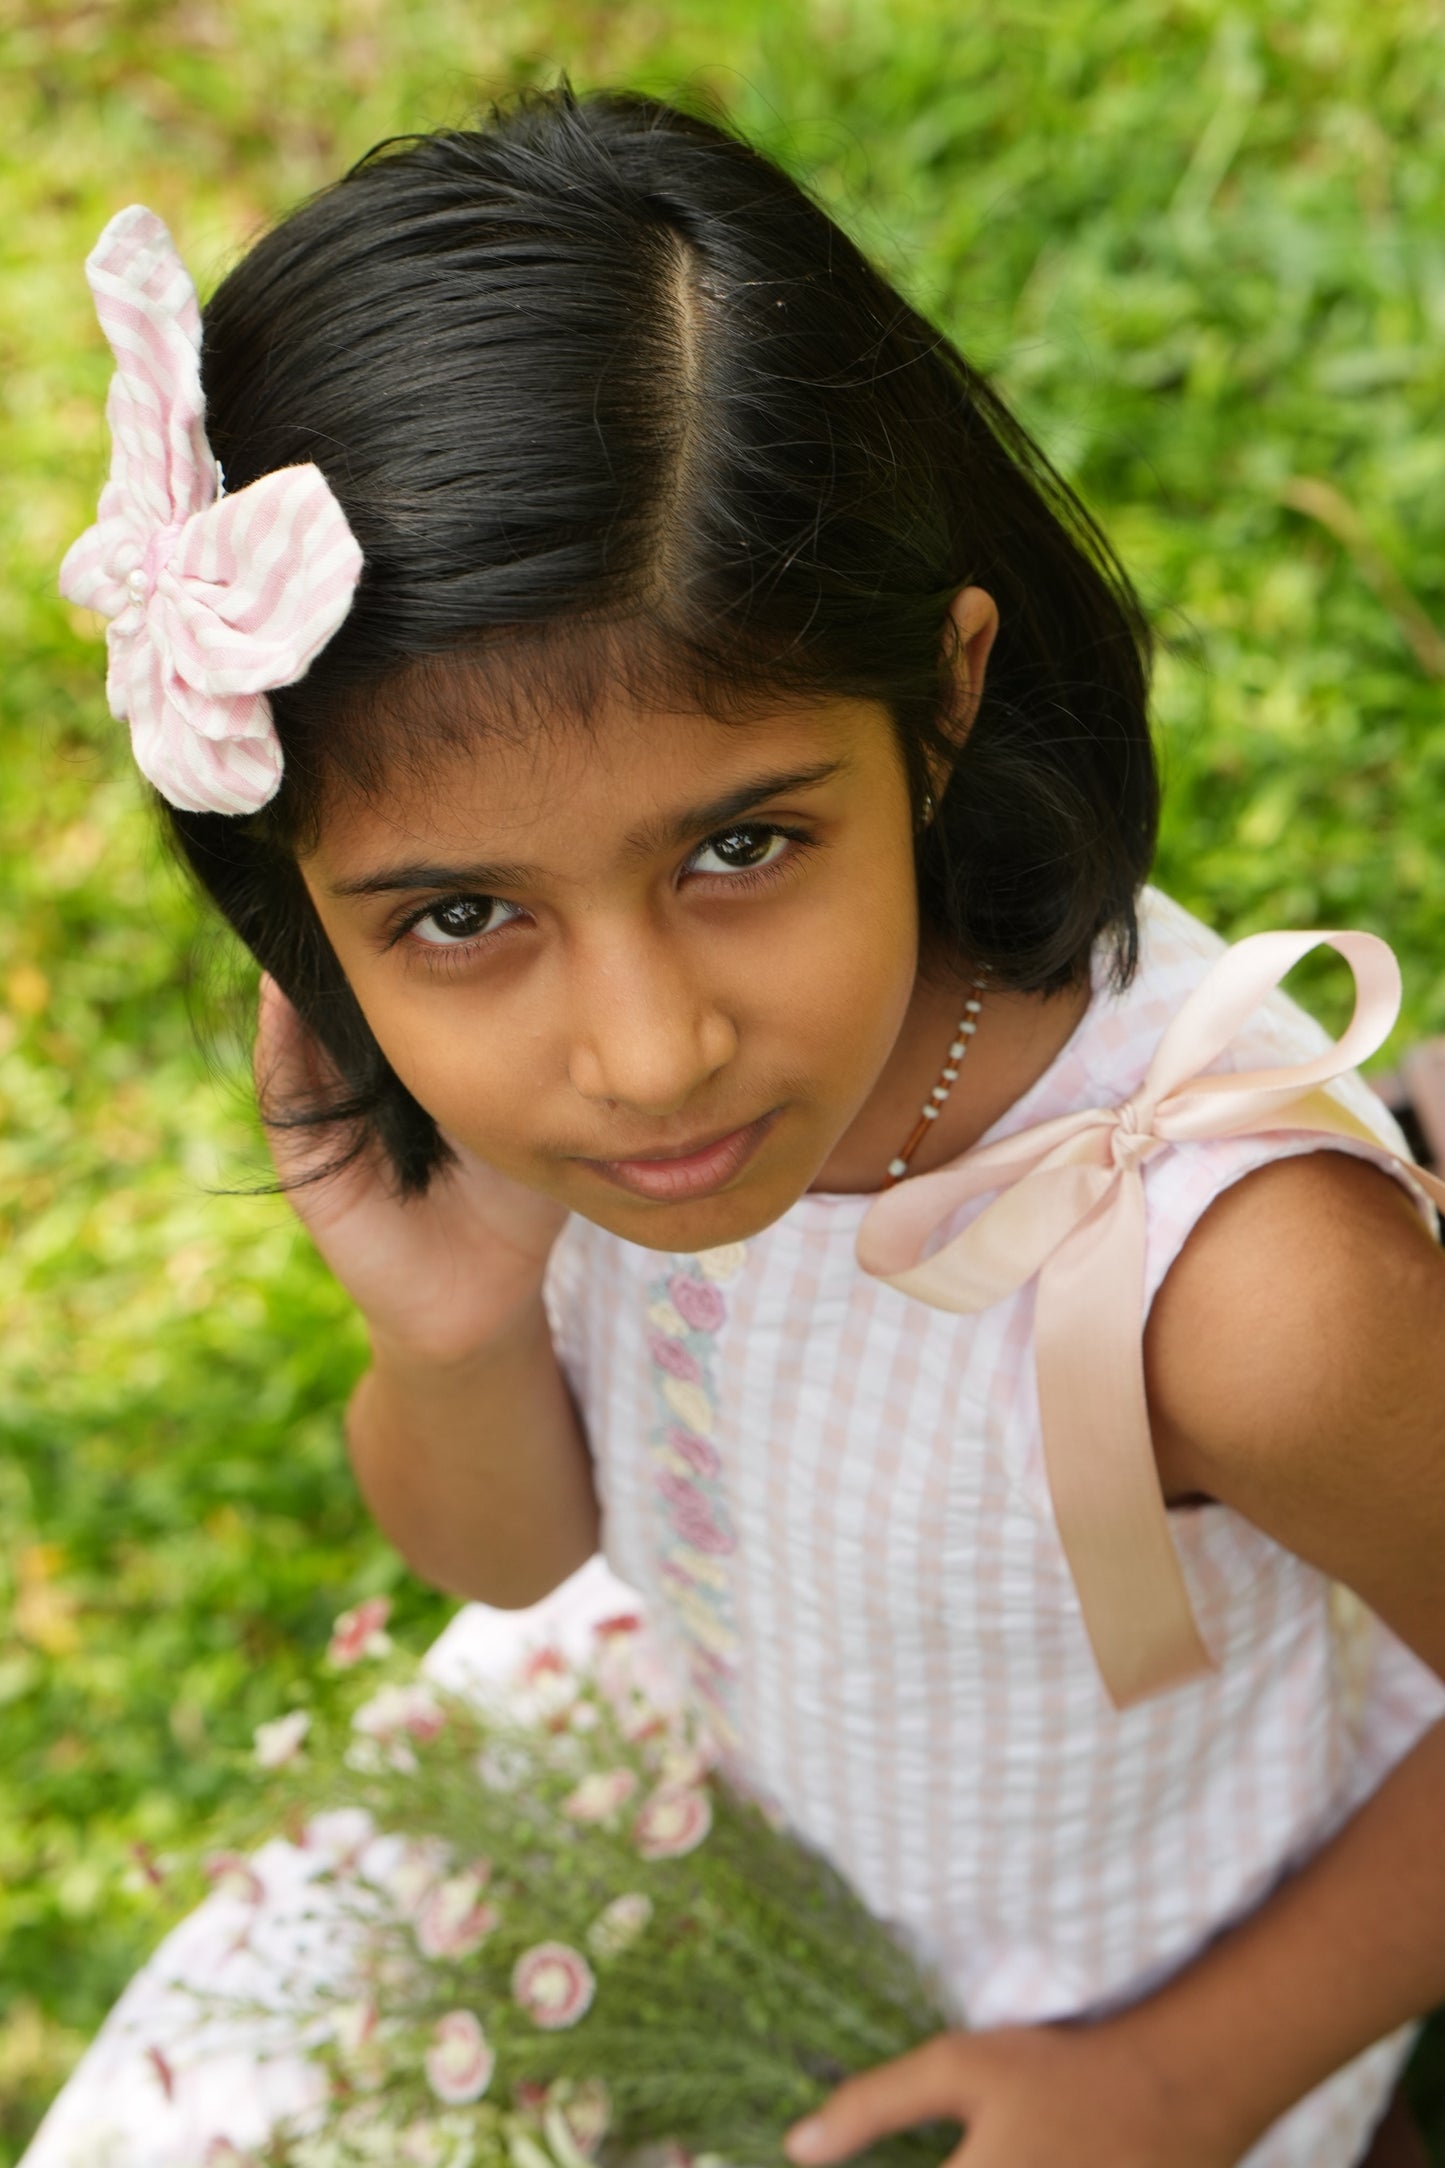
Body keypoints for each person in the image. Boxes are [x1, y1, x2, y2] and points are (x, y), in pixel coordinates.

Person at [35, 81, 1445, 2168]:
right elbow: (513, 1549)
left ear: (940, 700)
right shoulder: (555, 1147)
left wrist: (1181, 2074)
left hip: (1133, 1994)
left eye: (741, 846)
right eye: (460, 915)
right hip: (720, 1788)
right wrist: (448, 1321)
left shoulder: (1227, 1282)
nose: (642, 1050)